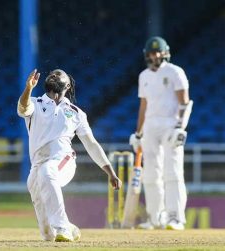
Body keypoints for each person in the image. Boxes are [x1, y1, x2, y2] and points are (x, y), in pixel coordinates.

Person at [17, 69, 122, 241]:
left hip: (63, 161)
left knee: (47, 171)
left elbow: (91, 144)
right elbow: (22, 109)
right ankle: (67, 227)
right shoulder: (35, 103)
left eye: (59, 74)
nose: (53, 74)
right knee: (47, 235)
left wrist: (110, 171)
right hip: (37, 165)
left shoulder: (75, 113)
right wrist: (28, 88)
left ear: (67, 85)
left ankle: (62, 228)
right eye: (52, 73)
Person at [129, 36, 193, 230]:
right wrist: (138, 133)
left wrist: (181, 127)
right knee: (151, 173)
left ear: (165, 53)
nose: (153, 55)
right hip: (150, 126)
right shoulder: (144, 76)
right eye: (150, 53)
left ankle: (176, 218)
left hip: (170, 124)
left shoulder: (175, 72)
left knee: (172, 170)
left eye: (157, 52)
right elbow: (143, 106)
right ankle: (156, 218)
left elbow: (185, 103)